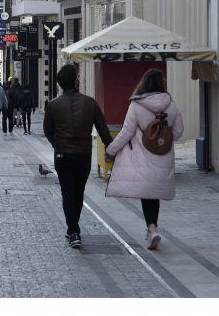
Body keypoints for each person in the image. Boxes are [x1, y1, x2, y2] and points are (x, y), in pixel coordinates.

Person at [104, 68, 183, 251]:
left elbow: (126, 133)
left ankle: (152, 230)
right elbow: (178, 132)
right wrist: (161, 138)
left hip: (142, 158)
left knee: (147, 193)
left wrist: (111, 150)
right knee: (153, 194)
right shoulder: (171, 105)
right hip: (163, 157)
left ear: (144, 82)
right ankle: (151, 229)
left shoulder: (136, 105)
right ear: (162, 83)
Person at [43, 64, 113, 249]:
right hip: (83, 154)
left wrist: (57, 145)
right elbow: (103, 128)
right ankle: (73, 227)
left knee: (67, 192)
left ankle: (73, 230)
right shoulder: (90, 102)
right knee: (78, 191)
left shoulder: (53, 105)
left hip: (63, 155)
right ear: (75, 81)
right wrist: (111, 148)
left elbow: (48, 131)